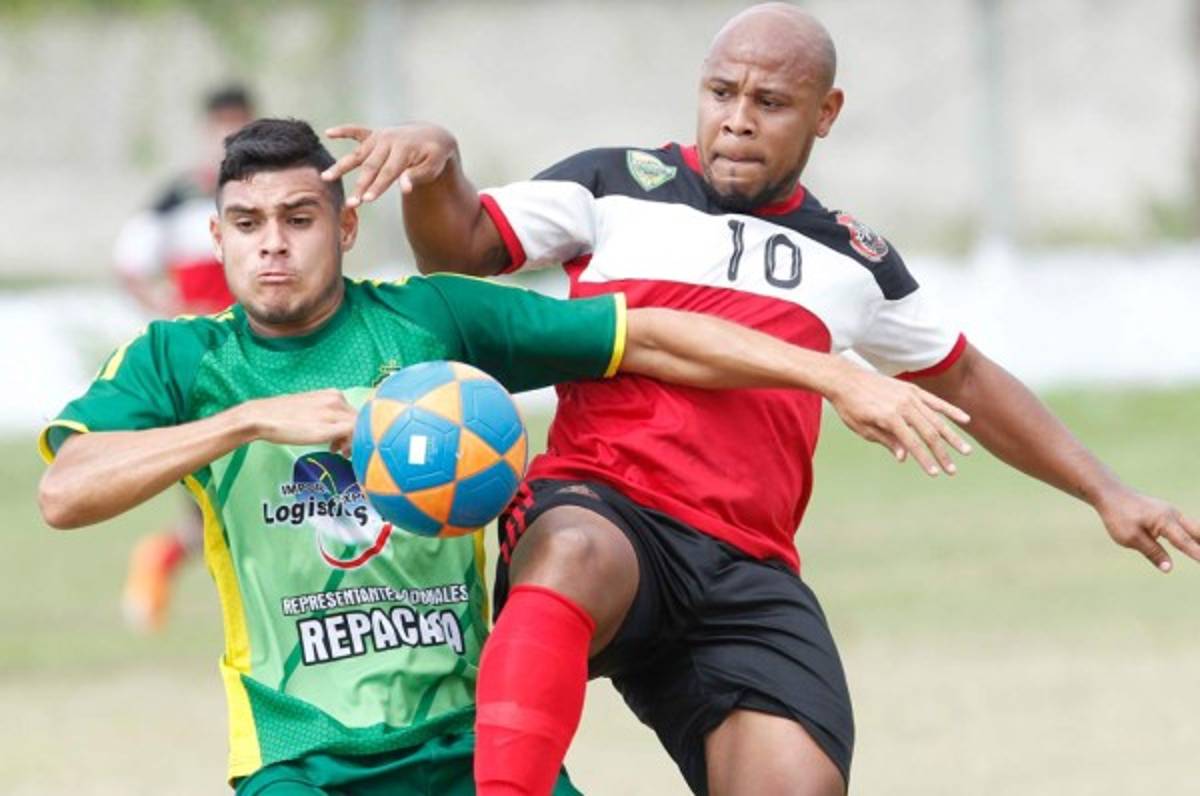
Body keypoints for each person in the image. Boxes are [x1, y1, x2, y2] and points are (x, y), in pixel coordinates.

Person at [320, 5, 1200, 796]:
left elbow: (964, 377)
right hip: (605, 505)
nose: (738, 119)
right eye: (721, 91)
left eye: (770, 102)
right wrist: (439, 168)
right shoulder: (613, 183)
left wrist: (1107, 491)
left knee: (799, 783)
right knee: (574, 551)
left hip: (747, 567)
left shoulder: (857, 258)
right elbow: (462, 250)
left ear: (826, 113)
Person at [37, 118, 969, 795]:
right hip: (299, 760)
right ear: (218, 238)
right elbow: (65, 492)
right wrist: (242, 425)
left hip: (466, 748)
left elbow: (649, 337)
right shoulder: (180, 361)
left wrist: (837, 378)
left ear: (346, 226)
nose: (273, 245)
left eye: (299, 218)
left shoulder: (431, 317)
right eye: (248, 225)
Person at [115, 84, 256, 631]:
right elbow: (129, 264)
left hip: (260, 350)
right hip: (203, 362)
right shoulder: (177, 198)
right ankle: (164, 558)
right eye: (220, 123)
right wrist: (169, 307)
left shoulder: (266, 193)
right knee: (217, 490)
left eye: (237, 122)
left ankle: (167, 557)